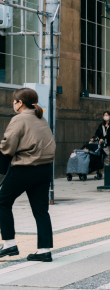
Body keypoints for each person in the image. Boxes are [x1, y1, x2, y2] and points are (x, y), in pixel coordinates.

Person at [0, 88, 57, 262]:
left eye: (14, 101)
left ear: (20, 103)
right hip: (44, 168)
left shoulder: (19, 119)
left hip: (25, 168)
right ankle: (44, 250)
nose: (13, 104)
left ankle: (9, 243)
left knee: (2, 202)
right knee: (41, 210)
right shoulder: (41, 118)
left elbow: (8, 144)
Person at [93, 111, 110, 176]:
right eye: (104, 115)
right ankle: (107, 171)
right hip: (102, 144)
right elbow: (97, 133)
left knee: (108, 157)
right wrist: (94, 137)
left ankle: (109, 172)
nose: (105, 116)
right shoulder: (101, 125)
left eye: (107, 115)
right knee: (104, 157)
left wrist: (104, 138)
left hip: (109, 143)